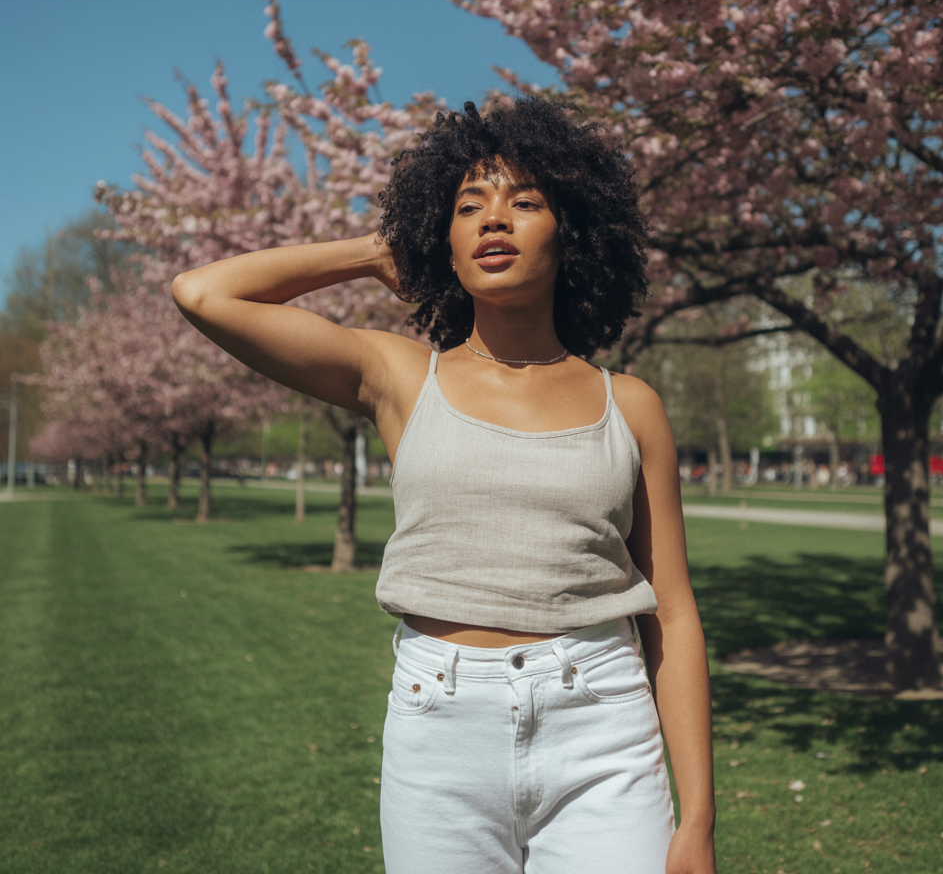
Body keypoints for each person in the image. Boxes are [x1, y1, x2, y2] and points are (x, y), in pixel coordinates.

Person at [172, 97, 716, 874]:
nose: (494, 219)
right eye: (468, 207)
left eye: (525, 202)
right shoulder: (399, 378)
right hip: (439, 731)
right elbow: (203, 293)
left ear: (572, 233)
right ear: (444, 243)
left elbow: (674, 612)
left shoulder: (630, 405)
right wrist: (373, 251)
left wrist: (698, 819)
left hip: (604, 725)